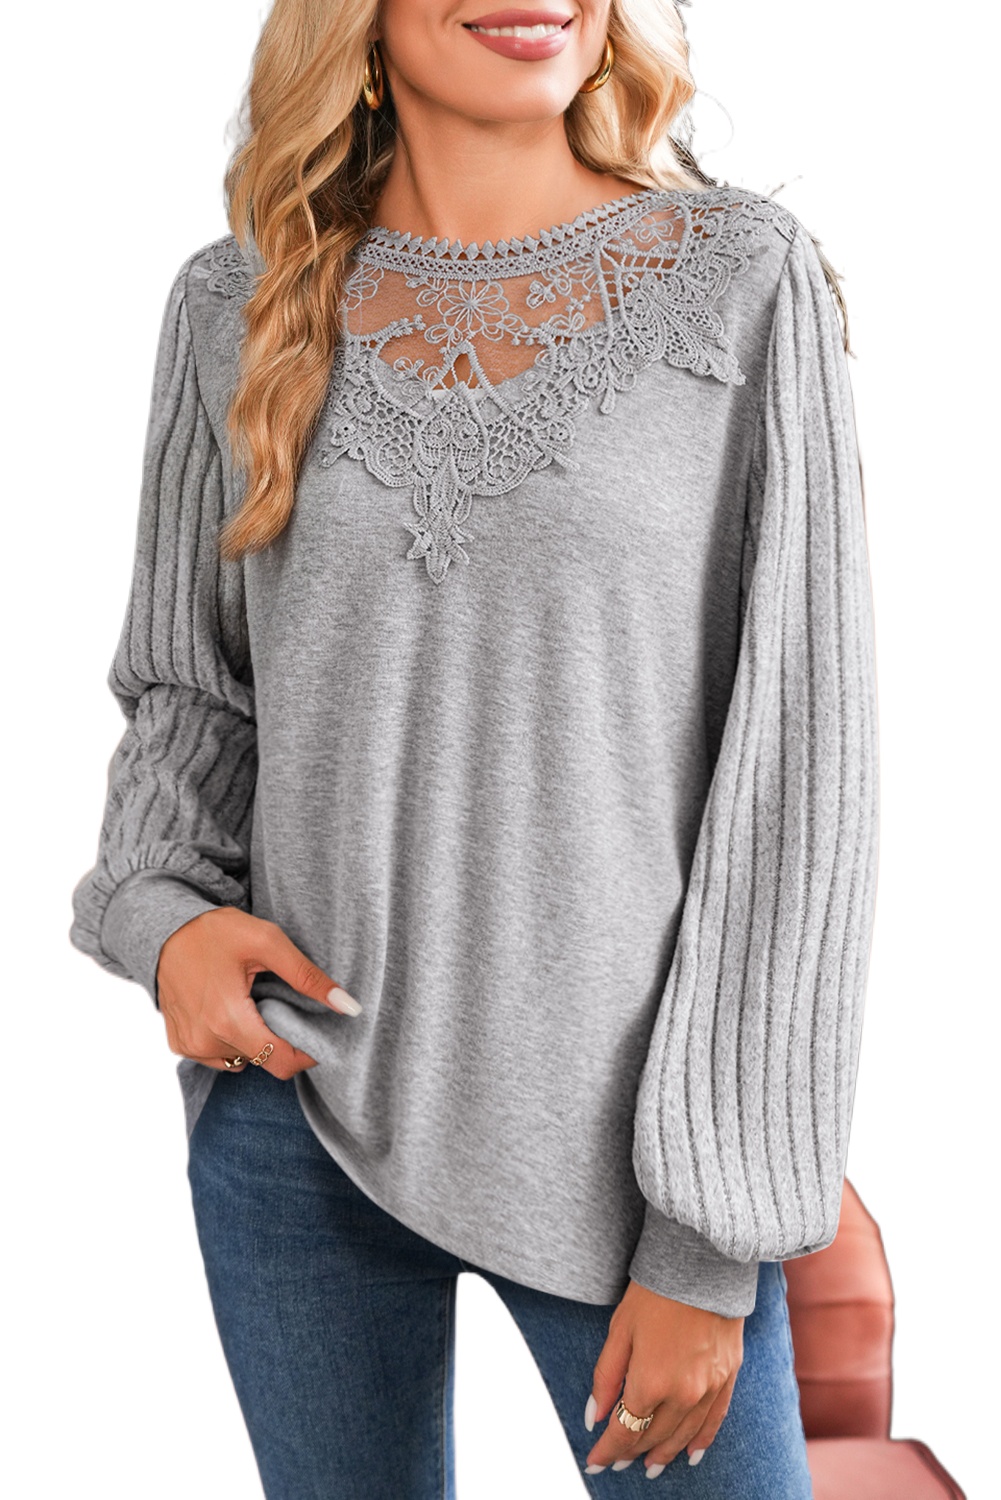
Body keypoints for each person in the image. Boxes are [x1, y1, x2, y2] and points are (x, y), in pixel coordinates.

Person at [69, 0, 880, 1495]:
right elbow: (191, 690)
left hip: (628, 1165)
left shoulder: (736, 281)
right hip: (291, 1115)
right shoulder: (236, 301)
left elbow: (795, 784)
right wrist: (161, 918)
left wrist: (711, 1240)